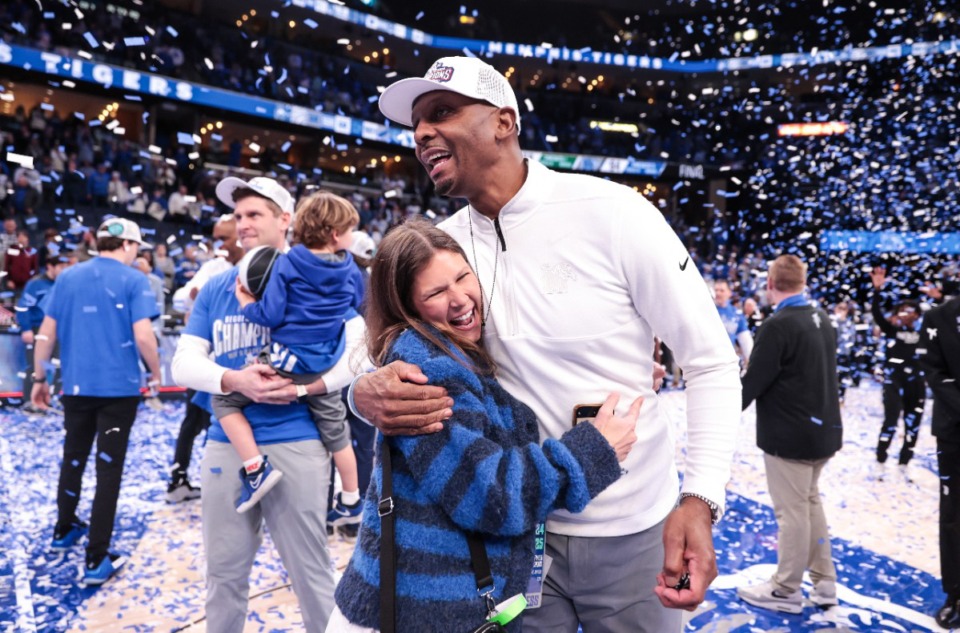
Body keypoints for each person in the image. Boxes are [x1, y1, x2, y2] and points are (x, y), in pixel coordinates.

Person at [353, 55, 742, 631]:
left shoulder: (614, 214)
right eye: (416, 125)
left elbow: (710, 362)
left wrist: (701, 498)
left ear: (504, 122)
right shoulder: (444, 247)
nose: (421, 134)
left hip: (633, 531)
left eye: (442, 112)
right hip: (510, 536)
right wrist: (366, 392)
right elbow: (388, 348)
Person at [330, 218, 640, 632]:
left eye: (462, 277)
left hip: (423, 604)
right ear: (407, 306)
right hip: (420, 612)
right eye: (437, 292)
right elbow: (491, 496)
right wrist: (590, 453)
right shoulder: (428, 370)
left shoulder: (456, 347)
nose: (459, 299)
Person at [171, 175, 362, 632]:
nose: (242, 224)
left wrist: (303, 389)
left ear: (285, 220)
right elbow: (182, 364)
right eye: (237, 216)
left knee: (312, 575)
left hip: (298, 440)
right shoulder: (218, 286)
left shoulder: (316, 272)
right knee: (223, 576)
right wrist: (235, 379)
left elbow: (361, 353)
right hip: (226, 446)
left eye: (254, 214)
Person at [215, 191, 365, 516]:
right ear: (335, 234)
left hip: (287, 361)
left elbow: (268, 315)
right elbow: (356, 305)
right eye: (351, 229)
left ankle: (256, 469)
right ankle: (351, 496)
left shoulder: (288, 263)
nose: (353, 236)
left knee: (223, 399)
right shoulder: (351, 269)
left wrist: (245, 302)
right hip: (326, 365)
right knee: (336, 429)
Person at [31, 217, 161, 585]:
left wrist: (39, 378)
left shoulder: (68, 277)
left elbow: (46, 334)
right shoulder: (135, 280)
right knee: (108, 471)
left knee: (72, 458)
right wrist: (155, 371)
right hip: (118, 393)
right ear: (129, 246)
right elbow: (144, 337)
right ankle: (96, 558)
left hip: (74, 389)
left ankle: (63, 529)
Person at [737, 254, 842, 614]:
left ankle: (785, 589)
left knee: (792, 513)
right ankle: (824, 582)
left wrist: (721, 405)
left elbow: (753, 383)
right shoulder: (821, 318)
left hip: (791, 437)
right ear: (802, 281)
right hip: (822, 431)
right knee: (811, 504)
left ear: (770, 284)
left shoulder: (778, 325)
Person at [166, 215, 244, 503]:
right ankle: (181, 479)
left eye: (224, 238)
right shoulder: (213, 268)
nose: (218, 244)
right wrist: (198, 294)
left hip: (245, 363)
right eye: (215, 238)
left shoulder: (263, 263)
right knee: (196, 422)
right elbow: (181, 297)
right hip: (210, 366)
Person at [916, 292, 960, 629]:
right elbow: (932, 370)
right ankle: (955, 595)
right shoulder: (939, 318)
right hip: (954, 431)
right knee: (954, 516)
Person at [868, 266, 925, 482]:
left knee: (913, 424)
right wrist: (877, 289)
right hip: (893, 380)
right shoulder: (892, 329)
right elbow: (876, 314)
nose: (905, 314)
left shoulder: (924, 332)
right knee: (890, 420)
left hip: (916, 381)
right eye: (902, 310)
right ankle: (880, 461)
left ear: (917, 315)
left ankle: (904, 464)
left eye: (910, 311)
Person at [16, 254, 71, 408]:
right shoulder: (35, 284)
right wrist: (26, 329)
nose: (63, 270)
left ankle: (52, 399)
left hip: (58, 329)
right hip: (37, 328)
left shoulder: (63, 284)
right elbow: (23, 307)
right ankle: (30, 401)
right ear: (50, 267)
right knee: (35, 366)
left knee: (59, 364)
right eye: (60, 267)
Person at [713, 278, 754, 370]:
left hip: (727, 361)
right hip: (709, 359)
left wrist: (751, 362)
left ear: (729, 293)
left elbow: (745, 341)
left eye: (722, 290)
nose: (718, 293)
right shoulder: (707, 311)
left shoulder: (736, 314)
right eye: (716, 290)